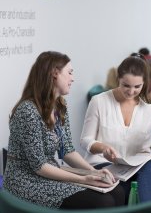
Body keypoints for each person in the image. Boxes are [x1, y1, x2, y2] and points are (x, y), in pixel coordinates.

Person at [3, 51, 125, 209]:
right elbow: (39, 166)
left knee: (118, 192)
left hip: (48, 176)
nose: (72, 78)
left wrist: (94, 172)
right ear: (54, 74)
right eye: (69, 72)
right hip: (25, 182)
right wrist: (83, 179)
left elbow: (67, 151)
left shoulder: (60, 106)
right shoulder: (28, 111)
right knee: (103, 201)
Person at [80, 55, 151, 203]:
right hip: (102, 164)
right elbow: (85, 141)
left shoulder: (148, 109)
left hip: (131, 168)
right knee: (123, 187)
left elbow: (145, 149)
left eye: (137, 87)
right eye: (126, 85)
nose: (131, 92)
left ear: (144, 83)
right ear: (118, 78)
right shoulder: (99, 101)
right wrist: (102, 147)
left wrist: (146, 155)